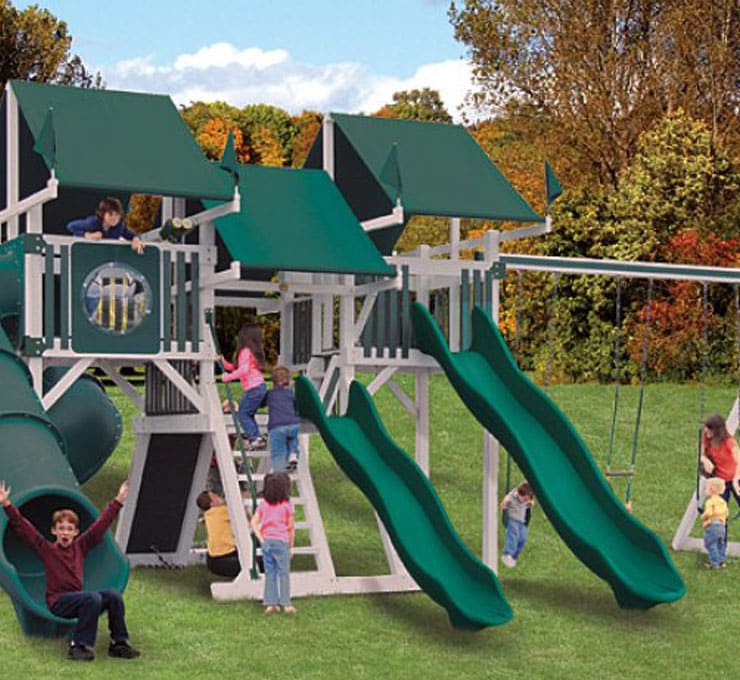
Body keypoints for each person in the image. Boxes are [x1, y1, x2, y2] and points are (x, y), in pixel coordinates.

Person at [0, 479, 140, 661]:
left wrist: (119, 500)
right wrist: (7, 504)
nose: (65, 533)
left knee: (113, 596)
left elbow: (101, 526)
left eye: (69, 529)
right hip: (58, 602)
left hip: (78, 599)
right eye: (61, 529)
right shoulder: (46, 549)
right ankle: (78, 646)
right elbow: (24, 528)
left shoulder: (81, 546)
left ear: (75, 532)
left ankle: (118, 643)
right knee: (92, 598)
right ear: (54, 531)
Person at [250, 472, 295, 614]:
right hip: (282, 542)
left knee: (270, 573)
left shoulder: (263, 505)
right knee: (283, 573)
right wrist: (291, 546)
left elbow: (254, 522)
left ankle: (270, 603)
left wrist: (262, 539)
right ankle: (286, 604)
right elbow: (290, 527)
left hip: (267, 542)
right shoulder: (287, 505)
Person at [221, 323, 267, 451]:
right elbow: (236, 367)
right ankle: (254, 436)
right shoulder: (250, 352)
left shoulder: (245, 351)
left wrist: (228, 378)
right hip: (258, 387)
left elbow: (243, 370)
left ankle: (255, 437)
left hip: (254, 388)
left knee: (243, 414)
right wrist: (223, 362)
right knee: (248, 413)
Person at [66, 197, 144, 254]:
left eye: (117, 215)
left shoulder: (120, 226)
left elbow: (132, 235)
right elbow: (71, 226)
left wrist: (136, 240)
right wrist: (88, 235)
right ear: (103, 214)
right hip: (88, 253)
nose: (114, 218)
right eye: (110, 214)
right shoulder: (92, 223)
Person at [196, 490, 241, 577]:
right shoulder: (220, 511)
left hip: (212, 560)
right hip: (225, 558)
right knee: (260, 561)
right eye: (215, 495)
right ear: (212, 503)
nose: (218, 495)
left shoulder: (209, 514)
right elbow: (242, 514)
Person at [700, 414, 740, 511]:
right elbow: (700, 454)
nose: (707, 431)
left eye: (710, 429)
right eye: (706, 428)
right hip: (720, 481)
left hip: (735, 478)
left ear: (718, 431)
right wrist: (705, 460)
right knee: (719, 512)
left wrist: (735, 480)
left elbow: (739, 461)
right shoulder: (706, 437)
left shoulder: (729, 442)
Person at [266, 366, 301, 473]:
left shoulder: (270, 394)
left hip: (277, 426)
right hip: (293, 424)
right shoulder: (291, 393)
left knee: (278, 451)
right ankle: (293, 454)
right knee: (293, 438)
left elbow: (262, 403)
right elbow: (297, 407)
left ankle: (279, 472)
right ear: (289, 381)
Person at [500, 482, 535, 568]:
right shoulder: (512, 497)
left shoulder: (525, 498)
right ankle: (507, 554)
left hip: (522, 522)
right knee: (513, 535)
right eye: (525, 499)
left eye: (527, 499)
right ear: (519, 494)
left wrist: (529, 503)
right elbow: (504, 503)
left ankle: (514, 556)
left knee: (523, 538)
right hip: (512, 520)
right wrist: (504, 504)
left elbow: (528, 503)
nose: (525, 501)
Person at [702, 477, 729, 569]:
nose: (705, 490)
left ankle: (714, 564)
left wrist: (704, 516)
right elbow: (726, 513)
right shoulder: (723, 501)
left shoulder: (710, 501)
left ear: (712, 489)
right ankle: (722, 562)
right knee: (720, 543)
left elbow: (709, 513)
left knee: (710, 544)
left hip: (712, 525)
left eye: (706, 488)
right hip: (722, 526)